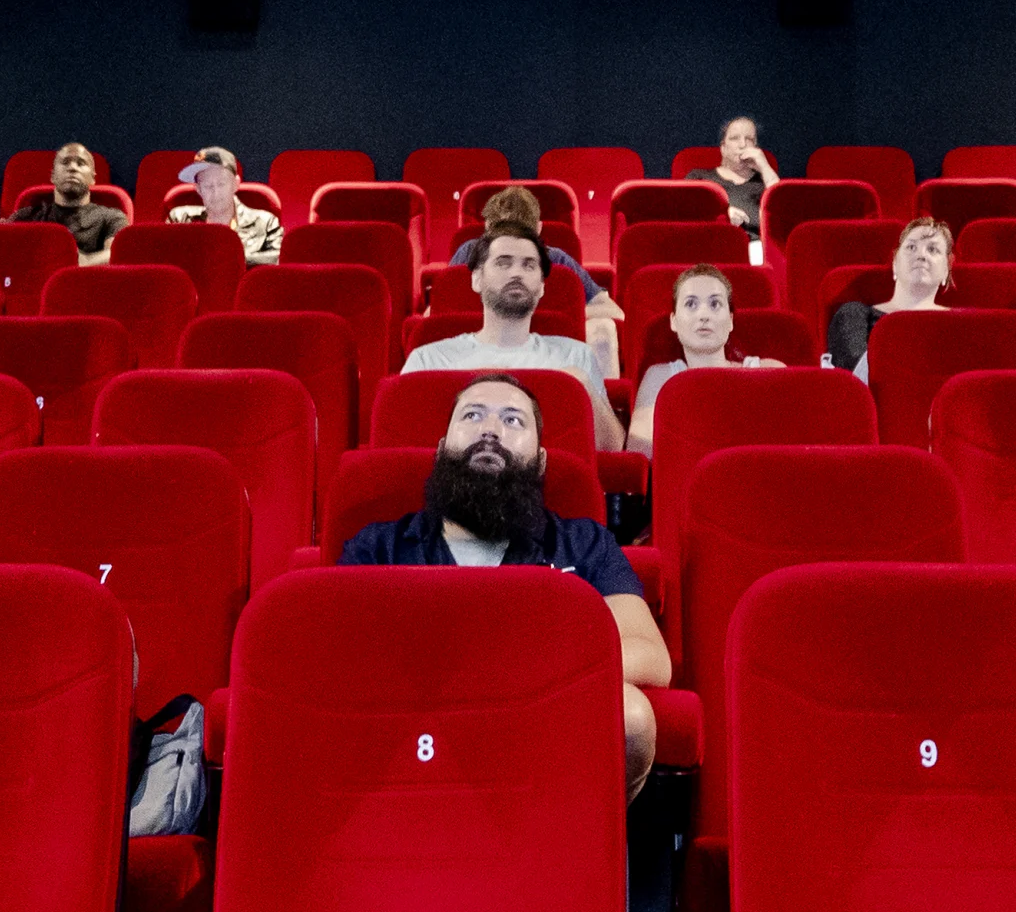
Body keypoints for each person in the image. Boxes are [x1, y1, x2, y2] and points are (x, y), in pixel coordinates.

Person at [333, 376, 672, 793]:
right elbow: (341, 658)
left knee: (631, 716)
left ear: (541, 460)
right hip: (406, 729)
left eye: (513, 420)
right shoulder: (377, 547)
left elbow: (650, 654)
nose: (490, 429)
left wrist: (521, 681)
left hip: (542, 724)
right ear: (442, 449)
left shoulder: (584, 544)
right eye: (472, 415)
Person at [404, 231, 628, 446]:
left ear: (541, 287)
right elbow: (402, 443)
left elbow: (612, 447)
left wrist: (583, 387)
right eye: (503, 262)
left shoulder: (577, 355)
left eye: (529, 265)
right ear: (477, 279)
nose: (516, 273)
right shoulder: (428, 360)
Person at [444, 188, 626, 366]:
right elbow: (437, 312)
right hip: (478, 351)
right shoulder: (468, 254)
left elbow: (613, 311)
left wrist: (561, 315)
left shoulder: (557, 259)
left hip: (548, 353)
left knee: (603, 329)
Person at [628, 264, 782, 451]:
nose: (703, 315)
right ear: (674, 321)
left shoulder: (767, 370)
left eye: (715, 304)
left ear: (731, 320)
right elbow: (640, 452)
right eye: (691, 304)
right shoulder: (660, 377)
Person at [826, 216, 952, 377]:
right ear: (894, 263)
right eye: (912, 247)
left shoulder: (963, 323)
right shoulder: (854, 315)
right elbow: (856, 378)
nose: (921, 256)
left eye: (933, 249)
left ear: (946, 271)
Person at [7, 141, 130, 262]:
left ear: (93, 178)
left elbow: (117, 254)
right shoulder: (26, 217)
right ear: (53, 176)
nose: (72, 168)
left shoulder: (111, 218)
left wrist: (84, 262)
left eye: (81, 163)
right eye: (65, 162)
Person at [166, 146, 283, 262]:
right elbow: (165, 259)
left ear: (236, 184)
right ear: (198, 189)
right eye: (208, 186)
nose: (215, 192)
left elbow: (278, 262)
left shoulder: (265, 223)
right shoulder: (179, 220)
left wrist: (224, 262)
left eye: (221, 184)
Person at [704, 116, 774, 237]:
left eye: (749, 139)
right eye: (735, 138)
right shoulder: (700, 177)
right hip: (710, 242)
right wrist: (721, 215)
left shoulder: (765, 182)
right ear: (723, 148)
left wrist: (765, 167)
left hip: (754, 247)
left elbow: (782, 213)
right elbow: (685, 213)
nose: (743, 145)